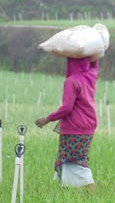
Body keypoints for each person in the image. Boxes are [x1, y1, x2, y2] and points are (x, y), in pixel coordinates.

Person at [35, 57, 98, 192]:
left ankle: (91, 194)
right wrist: (94, 57)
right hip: (88, 126)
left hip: (75, 127)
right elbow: (94, 66)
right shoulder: (90, 77)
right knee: (74, 159)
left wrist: (47, 119)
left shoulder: (71, 81)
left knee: (75, 160)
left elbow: (67, 108)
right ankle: (66, 193)